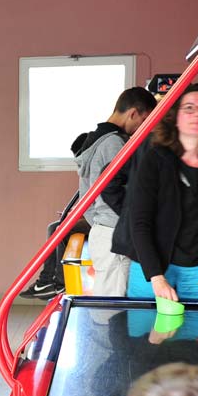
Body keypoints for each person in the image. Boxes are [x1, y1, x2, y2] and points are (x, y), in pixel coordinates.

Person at [114, 83, 198, 301]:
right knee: (146, 331)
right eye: (189, 108)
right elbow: (140, 221)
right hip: (152, 267)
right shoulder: (154, 158)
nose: (197, 115)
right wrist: (156, 276)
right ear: (175, 115)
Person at [75, 87, 157, 296]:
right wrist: (135, 219)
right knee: (114, 303)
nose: (144, 127)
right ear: (133, 113)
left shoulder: (94, 138)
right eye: (144, 119)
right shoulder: (114, 143)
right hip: (113, 229)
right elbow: (111, 190)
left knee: (109, 296)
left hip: (104, 228)